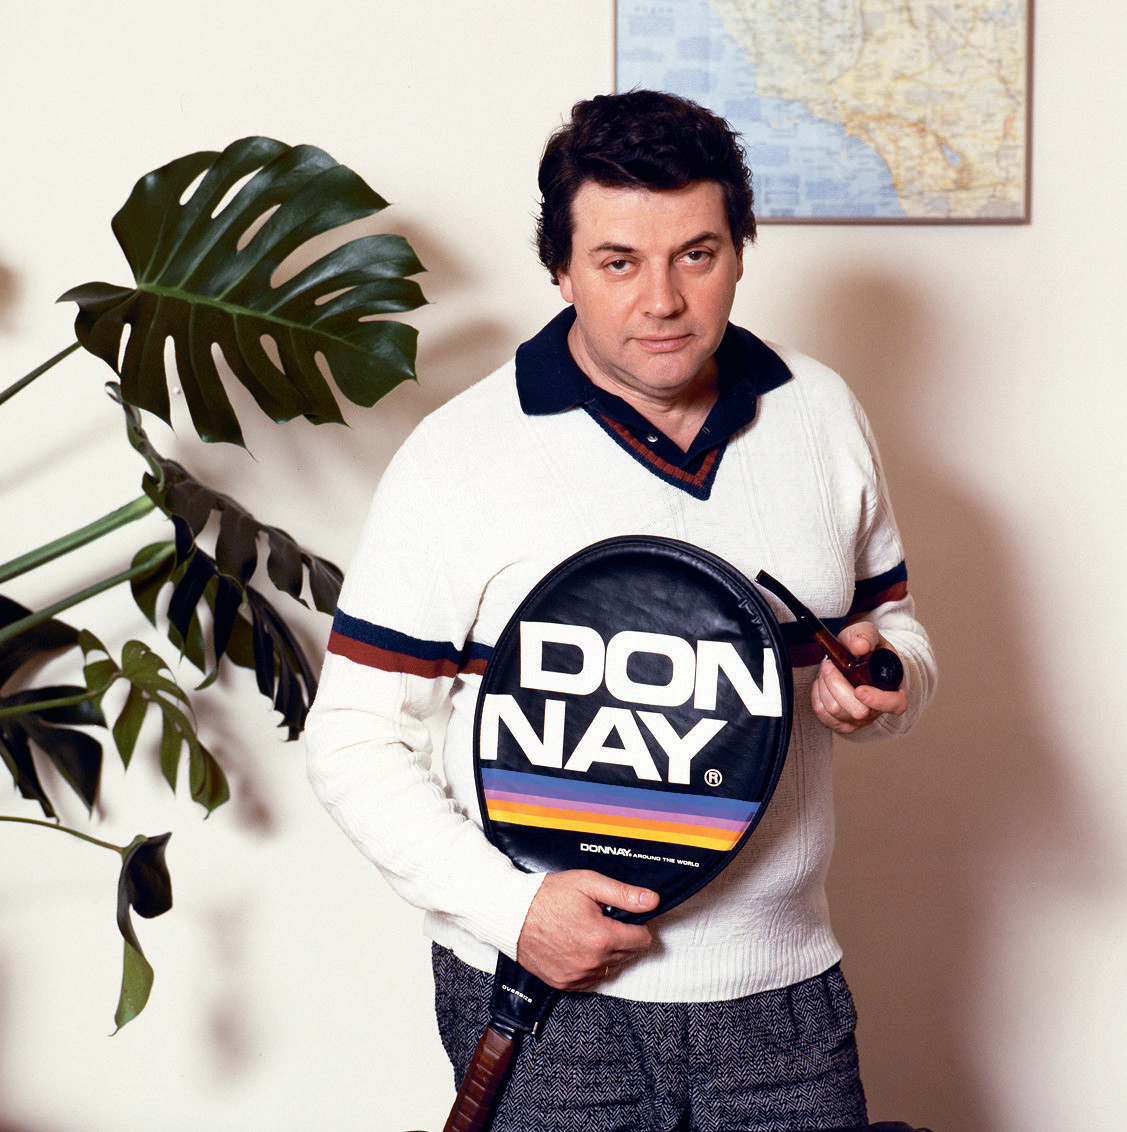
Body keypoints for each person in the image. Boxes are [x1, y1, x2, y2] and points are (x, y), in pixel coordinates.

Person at [305, 90, 937, 1131]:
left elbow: (895, 637)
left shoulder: (820, 413)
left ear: (739, 250)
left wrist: (884, 677)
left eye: (696, 255)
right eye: (616, 261)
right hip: (546, 994)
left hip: (780, 994)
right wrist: (513, 909)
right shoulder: (458, 455)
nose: (662, 301)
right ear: (559, 269)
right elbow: (351, 737)